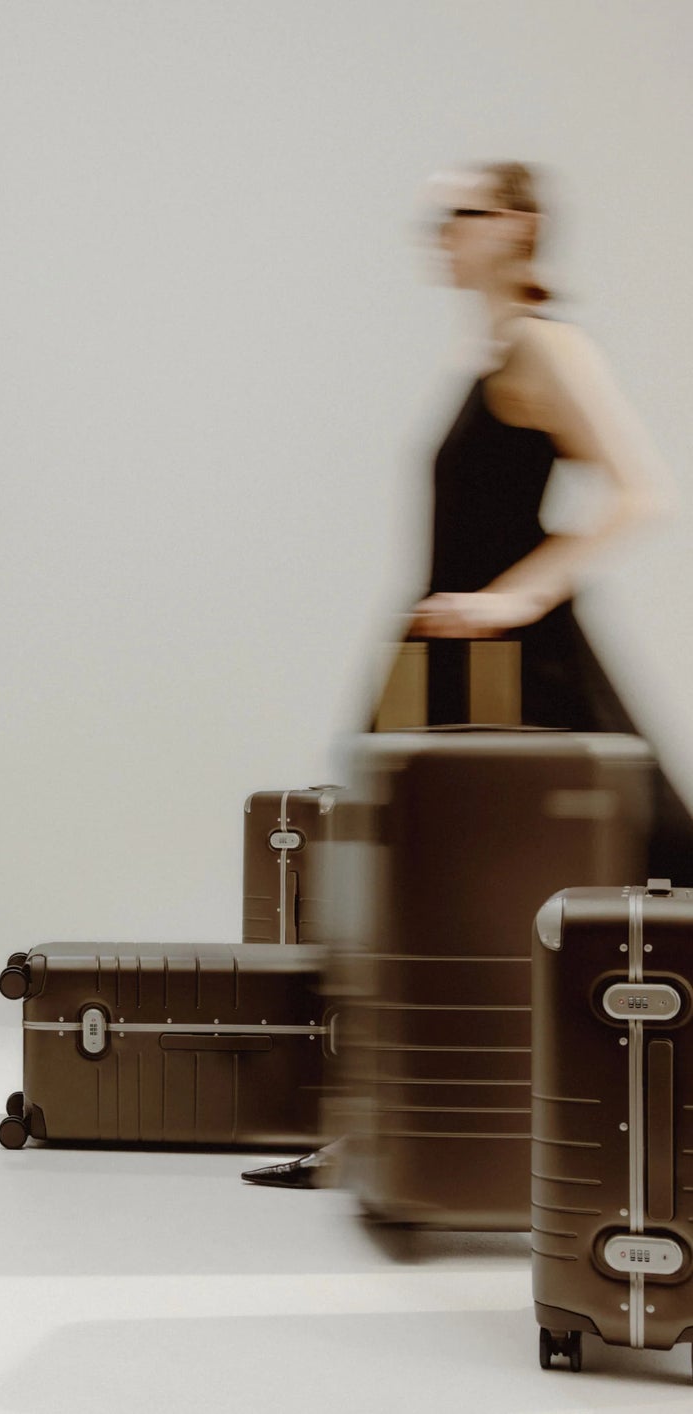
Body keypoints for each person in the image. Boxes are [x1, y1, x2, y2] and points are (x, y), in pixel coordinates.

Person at [244, 160, 691, 1189]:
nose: (439, 232)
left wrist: (513, 600)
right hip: (439, 656)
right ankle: (382, 1129)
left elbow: (641, 491)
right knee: (386, 883)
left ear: (518, 225)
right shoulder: (490, 350)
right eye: (435, 217)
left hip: (506, 665)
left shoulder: (543, 345)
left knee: (604, 876)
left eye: (461, 214)